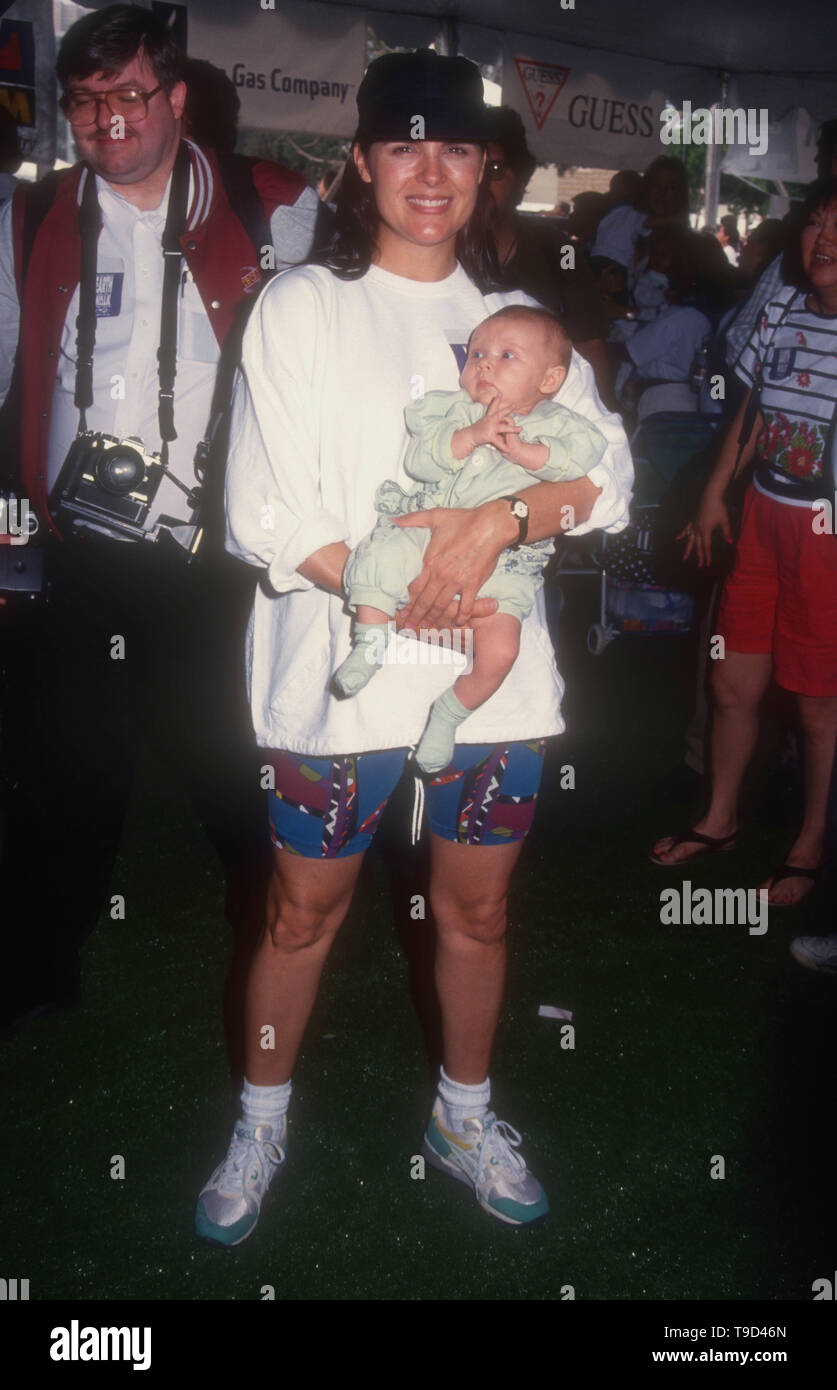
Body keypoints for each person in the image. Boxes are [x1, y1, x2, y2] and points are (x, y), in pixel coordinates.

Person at [195, 48, 632, 1245]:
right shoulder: (304, 303)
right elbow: (262, 513)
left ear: (489, 169)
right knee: (299, 912)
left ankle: (464, 1113)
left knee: (479, 913)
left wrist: (502, 516)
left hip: (493, 688)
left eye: (457, 149)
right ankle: (262, 1114)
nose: (430, 171)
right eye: (404, 145)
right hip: (336, 677)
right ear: (361, 163)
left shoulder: (518, 324)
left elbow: (614, 473)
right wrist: (402, 598)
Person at [0, 4, 320, 1034]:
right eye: (85, 101)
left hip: (217, 553)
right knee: (64, 771)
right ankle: (39, 965)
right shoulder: (31, 216)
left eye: (129, 94)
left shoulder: (273, 205)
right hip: (82, 550)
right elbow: (6, 381)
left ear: (175, 97)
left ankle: (290, 944)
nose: (107, 118)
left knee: (235, 762)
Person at [651, 178, 837, 908]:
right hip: (760, 520)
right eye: (817, 223)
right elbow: (754, 409)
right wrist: (711, 492)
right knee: (731, 683)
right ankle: (719, 819)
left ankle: (809, 844)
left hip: (824, 536)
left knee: (819, 703)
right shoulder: (785, 307)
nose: (823, 240)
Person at [333, 305, 607, 772]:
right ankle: (370, 641)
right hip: (427, 531)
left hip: (509, 560)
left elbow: (580, 466)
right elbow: (422, 462)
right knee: (378, 559)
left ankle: (449, 713)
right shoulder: (453, 409)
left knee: (501, 649)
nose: (484, 363)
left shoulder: (562, 424)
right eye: (476, 352)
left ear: (549, 380)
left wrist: (527, 452)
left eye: (506, 355)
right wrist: (472, 435)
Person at [483, 106, 612, 403]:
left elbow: (590, 345)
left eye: (495, 170)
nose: (482, 183)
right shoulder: (440, 248)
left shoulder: (558, 251)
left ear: (522, 178)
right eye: (472, 166)